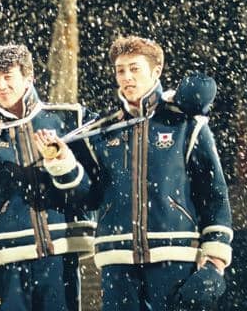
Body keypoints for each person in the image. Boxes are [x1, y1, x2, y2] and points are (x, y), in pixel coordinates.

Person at [88, 35, 232, 310]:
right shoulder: (103, 130)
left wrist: (215, 258)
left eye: (134, 68)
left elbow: (214, 193)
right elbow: (88, 193)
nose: (126, 77)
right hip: (116, 260)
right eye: (120, 70)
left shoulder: (185, 123)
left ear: (156, 71)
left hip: (175, 257)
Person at [0, 45, 96, 311]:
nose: (1, 85)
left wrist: (62, 163)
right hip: (6, 252)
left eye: (8, 77)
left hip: (60, 249)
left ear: (28, 77)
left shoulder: (66, 119)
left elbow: (91, 190)